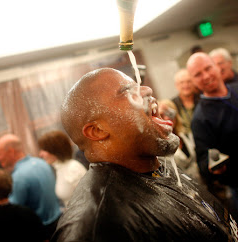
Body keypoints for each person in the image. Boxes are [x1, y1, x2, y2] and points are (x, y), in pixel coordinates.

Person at [51, 67, 237, 241]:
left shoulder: (155, 166)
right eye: (126, 91)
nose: (147, 89)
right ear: (97, 130)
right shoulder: (97, 225)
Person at [187, 52, 238, 221]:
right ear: (193, 81)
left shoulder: (236, 88)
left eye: (208, 68)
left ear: (217, 67)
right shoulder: (200, 118)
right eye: (198, 74)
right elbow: (203, 162)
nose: (206, 76)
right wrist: (214, 166)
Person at [0, 134, 62, 240]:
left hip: (42, 233)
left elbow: (12, 213)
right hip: (59, 223)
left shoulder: (18, 177)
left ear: (11, 151)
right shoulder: (41, 163)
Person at [158, 99, 204, 186]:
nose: (167, 118)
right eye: (162, 115)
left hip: (202, 185)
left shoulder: (186, 135)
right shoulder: (159, 147)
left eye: (170, 113)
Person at [38, 130, 87, 208]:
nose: (40, 154)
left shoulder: (73, 168)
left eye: (44, 150)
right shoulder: (60, 168)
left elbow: (88, 201)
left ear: (55, 150)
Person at [171, 69, 200, 134]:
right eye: (182, 82)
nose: (186, 85)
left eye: (189, 81)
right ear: (176, 85)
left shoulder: (203, 99)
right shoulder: (172, 105)